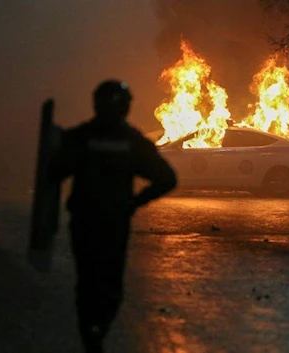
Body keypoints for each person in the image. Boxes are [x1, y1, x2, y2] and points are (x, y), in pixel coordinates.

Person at [49, 80, 177, 353]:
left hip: (84, 222)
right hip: (113, 224)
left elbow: (54, 172)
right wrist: (134, 202)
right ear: (126, 108)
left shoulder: (81, 137)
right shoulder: (131, 141)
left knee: (87, 284)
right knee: (110, 287)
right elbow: (167, 179)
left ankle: (91, 337)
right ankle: (96, 335)